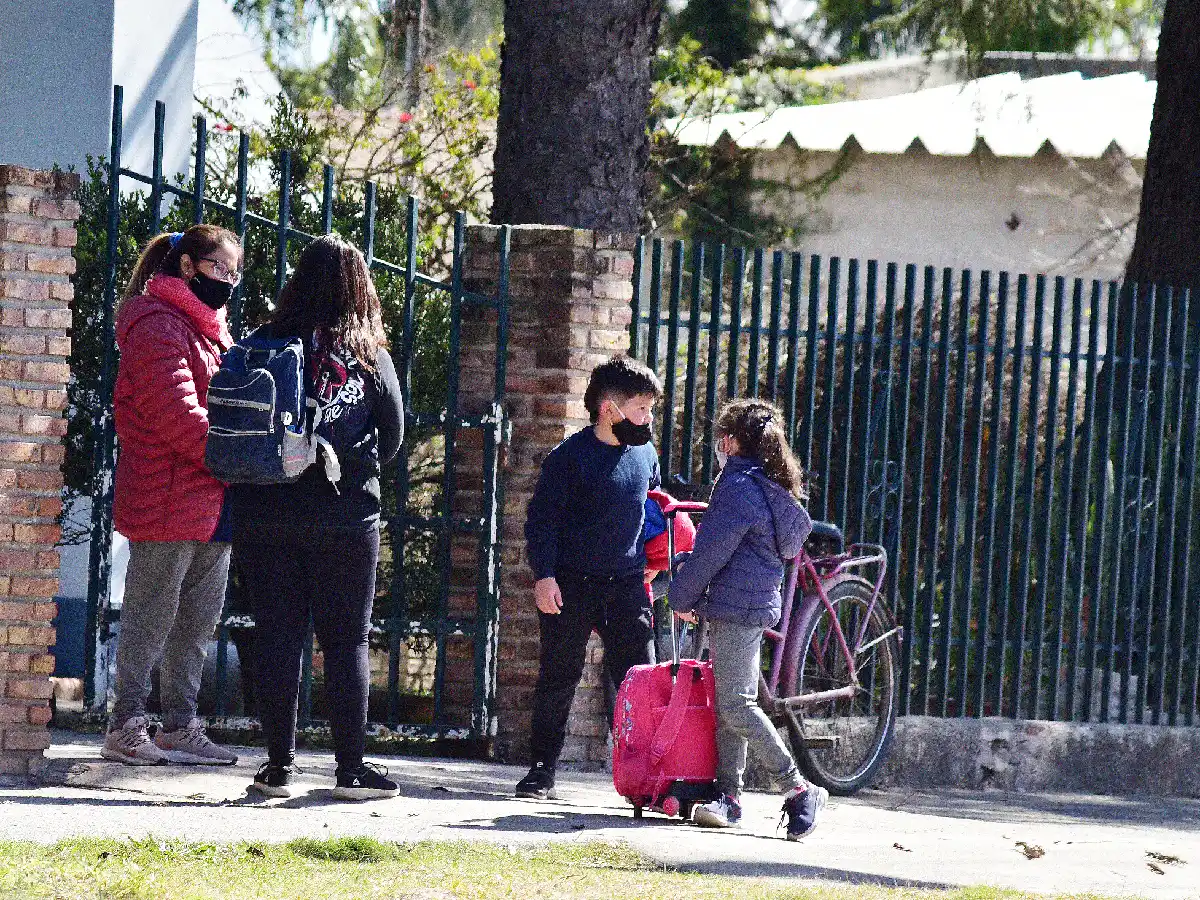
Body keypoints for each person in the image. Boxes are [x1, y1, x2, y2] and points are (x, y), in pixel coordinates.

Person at [230, 234, 404, 800]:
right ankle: (351, 771)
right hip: (347, 515)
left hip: (267, 511)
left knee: (279, 635)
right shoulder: (369, 356)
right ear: (360, 287)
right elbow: (396, 435)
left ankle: (277, 767)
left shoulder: (264, 343)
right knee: (347, 640)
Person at [103, 225, 242, 766]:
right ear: (187, 267)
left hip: (212, 496)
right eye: (220, 270)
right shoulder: (156, 325)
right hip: (167, 496)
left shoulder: (208, 330)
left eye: (235, 274)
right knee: (151, 615)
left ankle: (180, 725)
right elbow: (177, 416)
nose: (228, 283)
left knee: (198, 619)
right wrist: (235, 455)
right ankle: (126, 724)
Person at [668, 399, 828, 840]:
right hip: (751, 604)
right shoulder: (769, 486)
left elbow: (710, 554)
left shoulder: (737, 487)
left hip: (737, 607)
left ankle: (798, 789)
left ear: (731, 442)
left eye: (722, 438)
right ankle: (730, 797)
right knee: (730, 700)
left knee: (737, 704)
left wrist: (680, 595)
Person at [515, 356, 662, 800]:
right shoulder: (568, 459)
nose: (647, 419)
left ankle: (650, 775)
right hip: (572, 583)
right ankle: (541, 771)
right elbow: (541, 523)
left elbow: (653, 512)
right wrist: (545, 577)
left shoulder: (646, 454)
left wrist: (653, 562)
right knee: (558, 677)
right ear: (609, 409)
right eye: (641, 409)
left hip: (627, 585)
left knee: (641, 680)